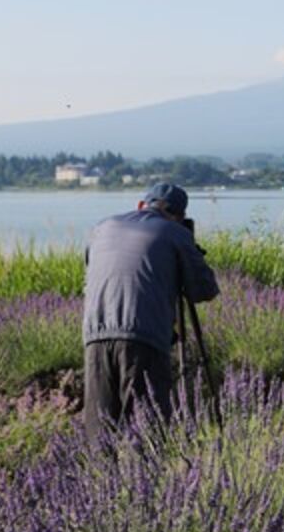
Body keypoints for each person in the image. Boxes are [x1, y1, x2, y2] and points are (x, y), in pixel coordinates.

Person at [82, 183, 219, 441]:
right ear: (179, 216)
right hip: (144, 336)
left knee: (99, 430)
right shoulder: (174, 233)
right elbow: (204, 290)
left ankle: (98, 480)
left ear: (141, 205)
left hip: (94, 335)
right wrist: (189, 249)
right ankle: (149, 479)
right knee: (148, 431)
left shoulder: (102, 227)